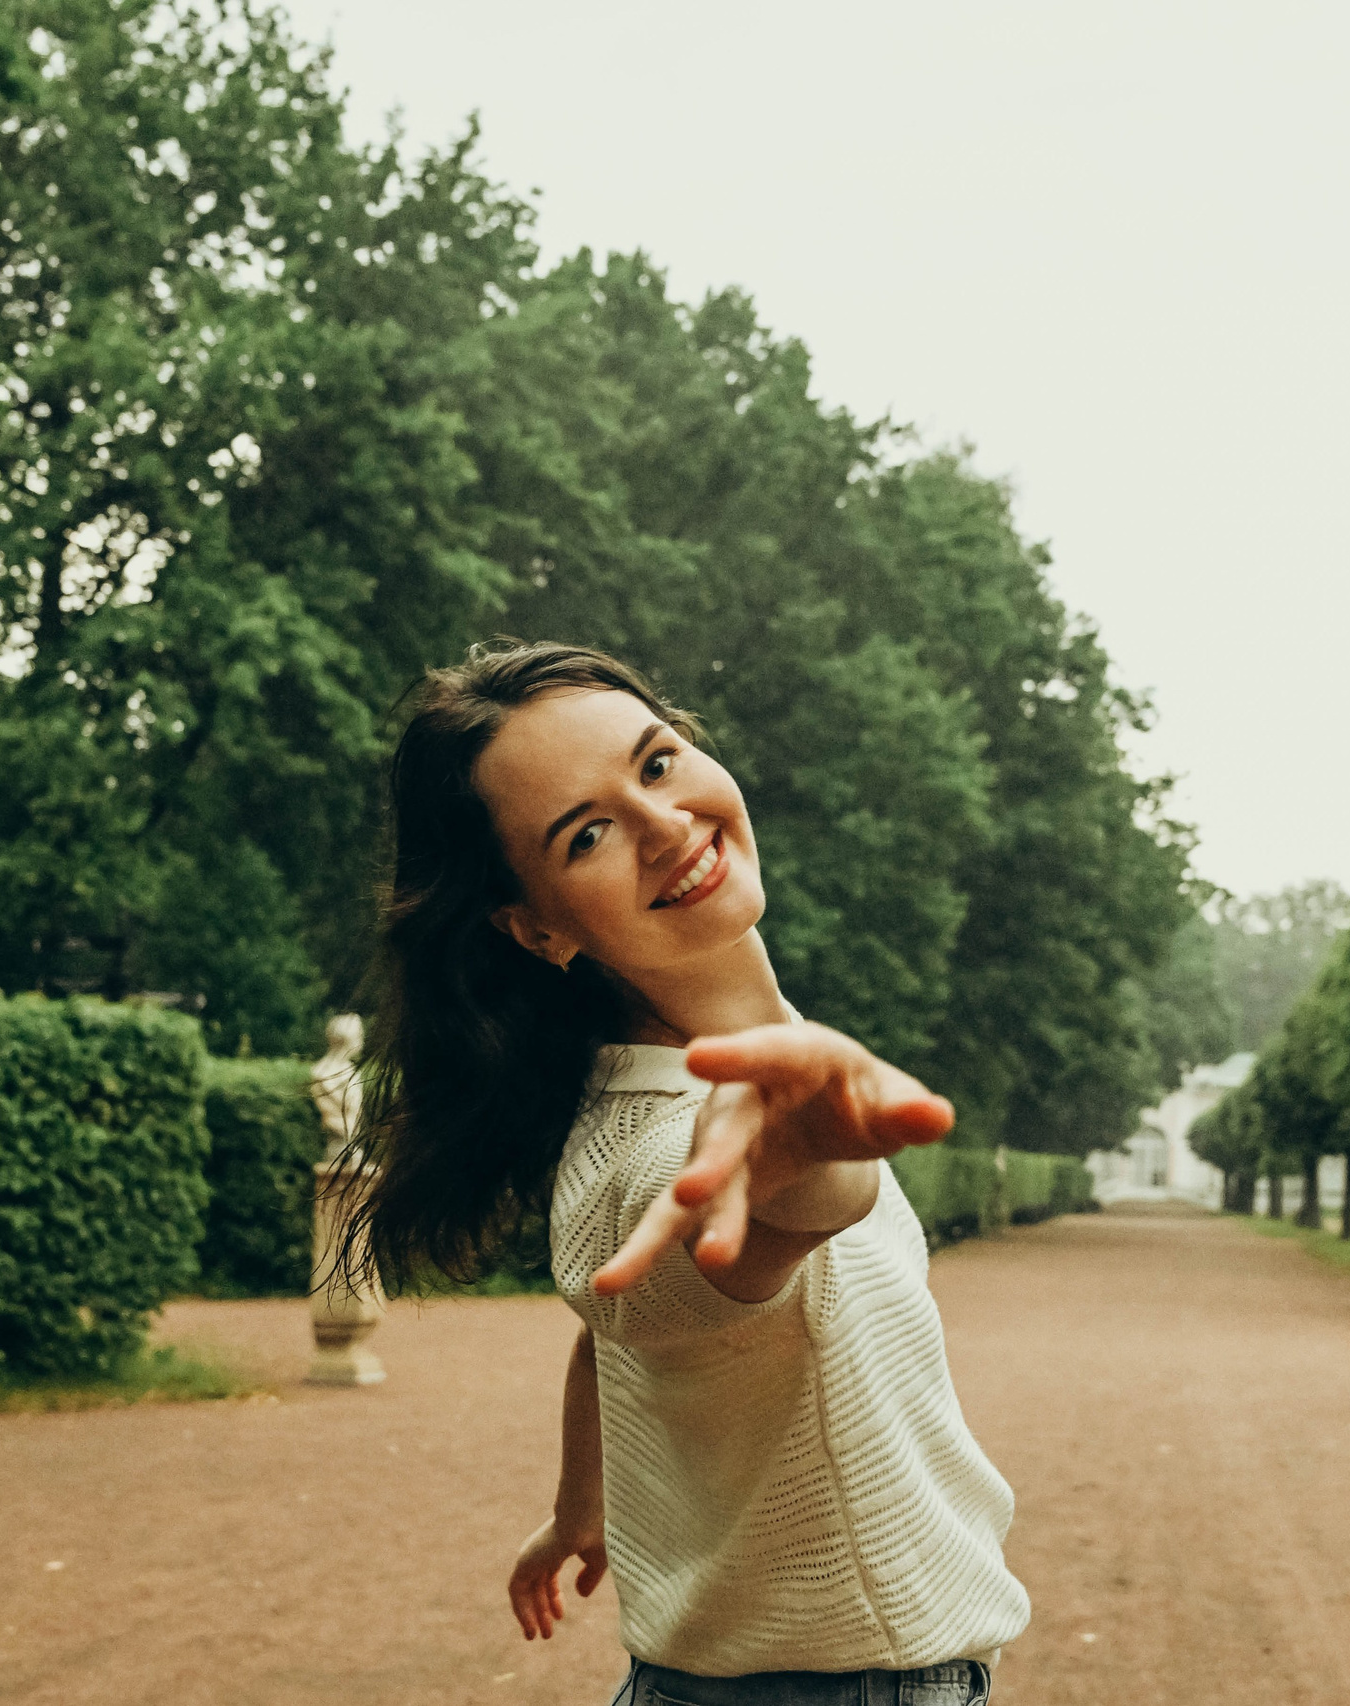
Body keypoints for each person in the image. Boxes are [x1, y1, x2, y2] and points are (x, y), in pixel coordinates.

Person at [346, 641, 1029, 1706]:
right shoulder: (656, 1146)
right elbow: (759, 1220)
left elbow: (608, 1339)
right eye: (586, 833)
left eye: (656, 763)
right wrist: (798, 1150)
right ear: (537, 926)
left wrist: (579, 1504)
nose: (664, 825)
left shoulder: (685, 1068)